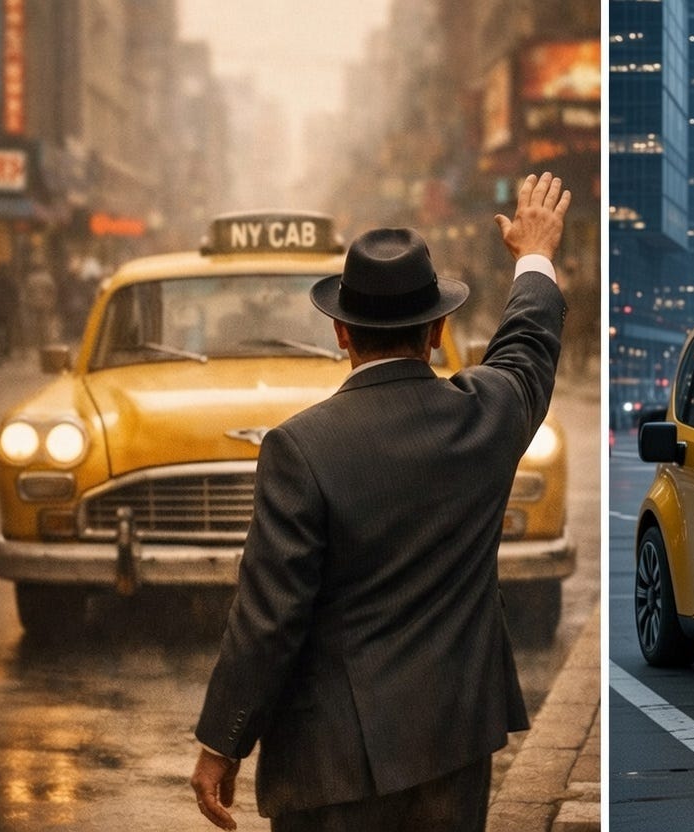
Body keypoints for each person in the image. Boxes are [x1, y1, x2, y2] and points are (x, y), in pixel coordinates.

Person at [190, 171, 571, 831]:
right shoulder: (486, 414)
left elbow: (269, 618)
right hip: (454, 746)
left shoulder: (299, 447)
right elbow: (529, 344)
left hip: (332, 764)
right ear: (437, 329)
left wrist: (224, 739)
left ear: (341, 331)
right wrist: (535, 253)